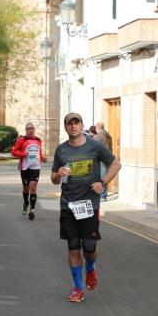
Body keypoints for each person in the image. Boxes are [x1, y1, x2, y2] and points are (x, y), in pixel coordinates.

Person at [51, 112, 121, 302]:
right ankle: (78, 289)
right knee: (73, 246)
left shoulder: (95, 146)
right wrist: (58, 174)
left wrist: (103, 182)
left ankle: (90, 268)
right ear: (65, 127)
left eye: (76, 123)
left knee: (89, 247)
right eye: (69, 124)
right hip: (68, 205)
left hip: (89, 205)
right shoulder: (61, 150)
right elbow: (54, 179)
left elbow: (115, 164)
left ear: (82, 125)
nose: (73, 126)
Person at [11, 122, 47, 220]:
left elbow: (39, 153)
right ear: (26, 130)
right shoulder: (22, 139)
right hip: (25, 168)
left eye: (32, 128)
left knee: (33, 188)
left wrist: (43, 158)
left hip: (36, 167)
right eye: (28, 129)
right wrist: (23, 154)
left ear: (34, 129)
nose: (30, 130)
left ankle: (32, 210)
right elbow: (13, 151)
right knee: (26, 189)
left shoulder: (38, 140)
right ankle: (26, 202)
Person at [95, 122, 114, 201]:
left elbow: (96, 148)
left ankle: (102, 196)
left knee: (101, 177)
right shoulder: (108, 135)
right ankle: (103, 195)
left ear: (97, 127)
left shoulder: (99, 136)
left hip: (102, 159)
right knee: (104, 176)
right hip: (108, 158)